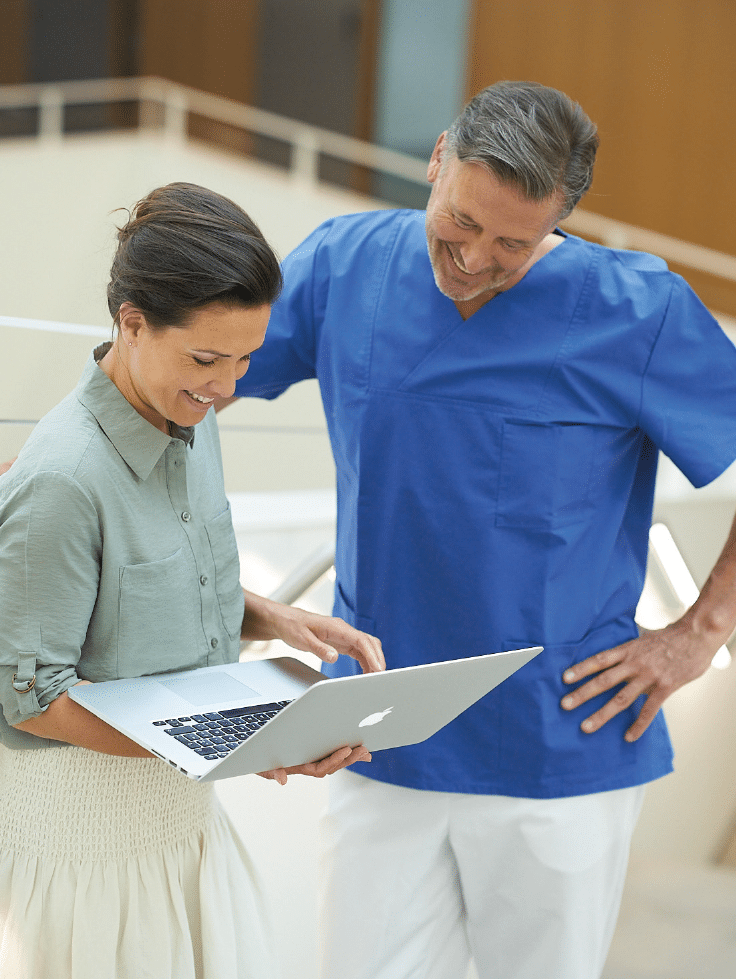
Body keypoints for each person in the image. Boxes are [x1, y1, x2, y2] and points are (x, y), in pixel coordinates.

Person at [224, 82, 736, 979]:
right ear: (437, 159)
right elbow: (197, 372)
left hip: (558, 742)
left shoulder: (637, 310)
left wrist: (701, 632)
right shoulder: (346, 266)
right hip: (375, 733)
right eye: (462, 221)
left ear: (560, 220)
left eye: (513, 244)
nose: (473, 259)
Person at [0, 182, 384, 979]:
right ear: (132, 322)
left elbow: (141, 585)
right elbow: (30, 698)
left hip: (181, 827)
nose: (229, 387)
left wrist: (274, 617)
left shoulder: (189, 417)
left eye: (245, 358)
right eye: (207, 359)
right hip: (86, 856)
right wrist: (231, 740)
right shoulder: (62, 480)